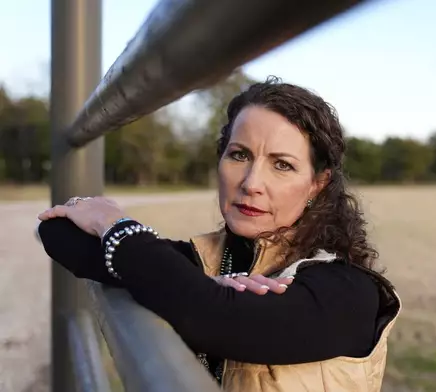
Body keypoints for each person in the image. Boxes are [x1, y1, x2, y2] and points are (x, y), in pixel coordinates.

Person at [38, 77, 402, 392]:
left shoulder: (348, 291)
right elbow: (56, 232)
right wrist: (209, 283)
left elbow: (218, 320)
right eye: (239, 155)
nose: (251, 183)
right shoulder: (206, 259)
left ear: (317, 185)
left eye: (282, 165)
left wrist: (114, 224)